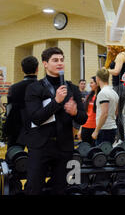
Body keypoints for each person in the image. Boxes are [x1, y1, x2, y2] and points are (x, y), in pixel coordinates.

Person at [24, 47, 87, 195]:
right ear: (45, 64)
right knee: (34, 189)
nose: (60, 63)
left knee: (61, 189)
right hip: (40, 146)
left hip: (64, 147)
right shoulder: (34, 88)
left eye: (61, 60)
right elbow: (36, 118)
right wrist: (56, 101)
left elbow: (83, 118)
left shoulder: (72, 88)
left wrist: (75, 112)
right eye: (55, 60)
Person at [4, 56, 39, 148]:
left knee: (15, 156)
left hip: (17, 127)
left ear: (22, 69)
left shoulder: (14, 88)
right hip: (36, 127)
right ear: (37, 69)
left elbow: (9, 109)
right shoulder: (42, 87)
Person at [105, 45, 125, 142]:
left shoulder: (121, 55)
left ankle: (121, 139)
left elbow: (116, 71)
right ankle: (119, 138)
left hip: (120, 86)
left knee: (117, 113)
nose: (109, 50)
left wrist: (105, 70)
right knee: (117, 113)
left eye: (110, 48)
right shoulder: (118, 56)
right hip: (118, 86)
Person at [92, 68, 118, 145]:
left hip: (104, 130)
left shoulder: (103, 93)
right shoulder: (114, 93)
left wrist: (96, 131)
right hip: (112, 128)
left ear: (98, 78)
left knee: (100, 155)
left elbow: (104, 114)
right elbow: (116, 112)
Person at [78, 76, 97, 146]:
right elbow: (85, 113)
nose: (90, 85)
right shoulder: (89, 96)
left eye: (92, 83)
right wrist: (80, 129)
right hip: (85, 126)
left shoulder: (100, 96)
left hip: (95, 128)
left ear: (97, 83)